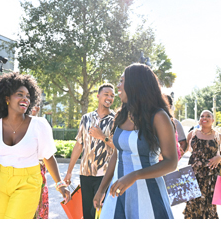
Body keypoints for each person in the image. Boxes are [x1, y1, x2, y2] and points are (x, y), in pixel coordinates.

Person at [0, 72, 70, 219]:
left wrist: (60, 184)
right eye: (20, 94)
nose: (25, 98)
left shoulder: (38, 125)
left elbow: (48, 157)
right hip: (1, 181)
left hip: (28, 182)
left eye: (28, 96)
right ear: (6, 98)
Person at [93, 63, 177, 219]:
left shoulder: (158, 117)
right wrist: (101, 189)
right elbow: (117, 155)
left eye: (122, 81)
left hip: (149, 195)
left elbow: (171, 162)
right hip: (117, 194)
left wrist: (134, 175)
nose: (118, 86)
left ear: (136, 83)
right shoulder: (122, 115)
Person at [64, 83, 116, 219]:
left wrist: (102, 137)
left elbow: (119, 147)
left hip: (105, 175)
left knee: (100, 214)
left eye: (112, 96)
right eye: (106, 94)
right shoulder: (86, 118)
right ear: (98, 96)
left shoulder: (116, 120)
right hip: (85, 173)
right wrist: (69, 172)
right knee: (87, 215)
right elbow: (78, 146)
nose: (109, 98)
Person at [183, 110, 221, 219]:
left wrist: (220, 158)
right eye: (202, 116)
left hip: (211, 178)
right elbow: (182, 151)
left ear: (213, 120)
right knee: (191, 205)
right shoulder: (192, 134)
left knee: (209, 207)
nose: (205, 118)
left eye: (208, 116)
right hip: (193, 176)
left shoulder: (219, 137)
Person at [30, 104, 49, 219]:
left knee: (39, 205)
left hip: (39, 171)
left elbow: (48, 154)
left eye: (38, 104)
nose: (36, 107)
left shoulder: (39, 123)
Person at [165, 94, 187, 159]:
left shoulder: (176, 123)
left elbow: (183, 143)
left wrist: (177, 157)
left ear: (170, 106)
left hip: (169, 163)